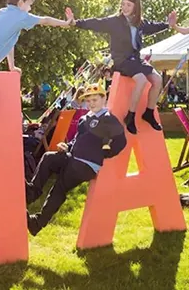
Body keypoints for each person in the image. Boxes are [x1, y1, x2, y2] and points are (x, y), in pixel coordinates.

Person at [0, 0, 72, 153]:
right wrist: (65, 23)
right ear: (21, 3)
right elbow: (46, 20)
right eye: (30, 4)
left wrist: (11, 66)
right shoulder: (21, 16)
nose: (30, 8)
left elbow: (9, 41)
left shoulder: (1, 13)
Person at [26, 83, 127, 236]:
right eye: (89, 100)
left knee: (59, 187)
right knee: (49, 158)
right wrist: (66, 146)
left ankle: (38, 222)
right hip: (73, 157)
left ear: (103, 99)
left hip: (86, 165)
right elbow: (76, 140)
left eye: (95, 100)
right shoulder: (85, 118)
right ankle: (32, 193)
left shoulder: (108, 119)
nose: (92, 103)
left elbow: (121, 142)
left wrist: (104, 154)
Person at [65, 0, 169, 135]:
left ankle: (149, 113)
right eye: (123, 4)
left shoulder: (140, 23)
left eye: (128, 5)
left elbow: (154, 26)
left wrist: (169, 24)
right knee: (142, 80)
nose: (124, 7)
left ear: (136, 7)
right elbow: (96, 23)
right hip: (121, 60)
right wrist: (75, 22)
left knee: (157, 79)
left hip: (136, 59)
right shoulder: (115, 21)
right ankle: (130, 116)